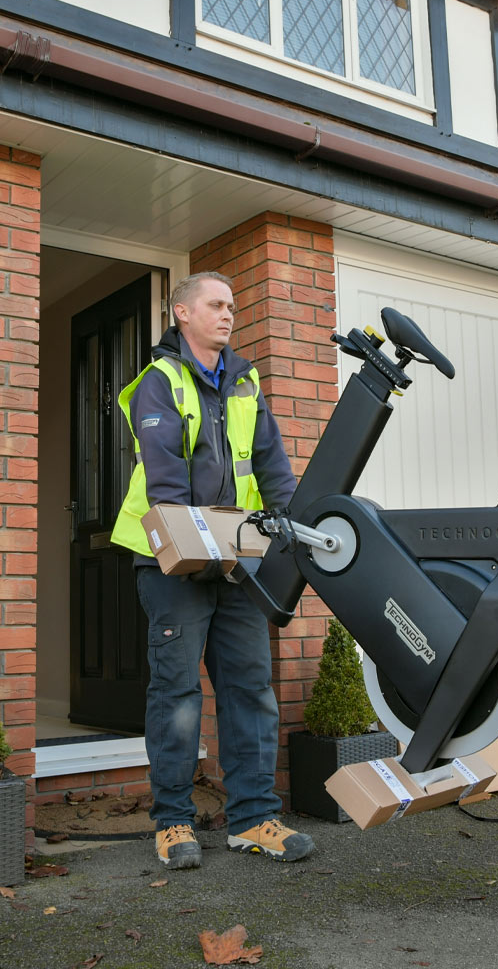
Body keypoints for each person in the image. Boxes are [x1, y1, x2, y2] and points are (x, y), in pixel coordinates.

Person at [111, 271, 315, 870]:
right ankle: (173, 822)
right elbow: (167, 480)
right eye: (216, 305)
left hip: (236, 560)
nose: (229, 314)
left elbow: (274, 469)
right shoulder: (161, 382)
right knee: (176, 692)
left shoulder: (247, 382)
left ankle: (253, 818)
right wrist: (201, 550)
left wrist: (294, 529)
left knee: (250, 689)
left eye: (232, 305)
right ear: (182, 313)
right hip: (171, 561)